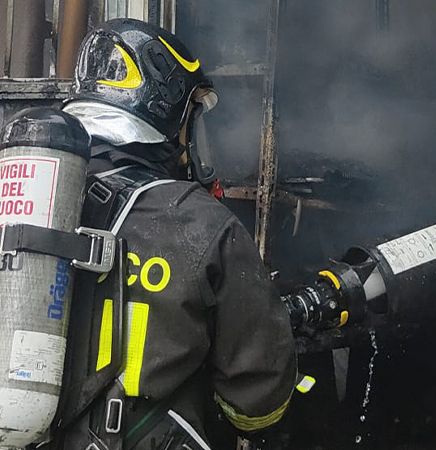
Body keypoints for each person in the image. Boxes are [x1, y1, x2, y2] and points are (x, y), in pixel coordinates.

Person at [37, 18, 297, 450]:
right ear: (164, 110)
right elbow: (257, 405)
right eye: (189, 117)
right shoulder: (201, 224)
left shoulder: (31, 203)